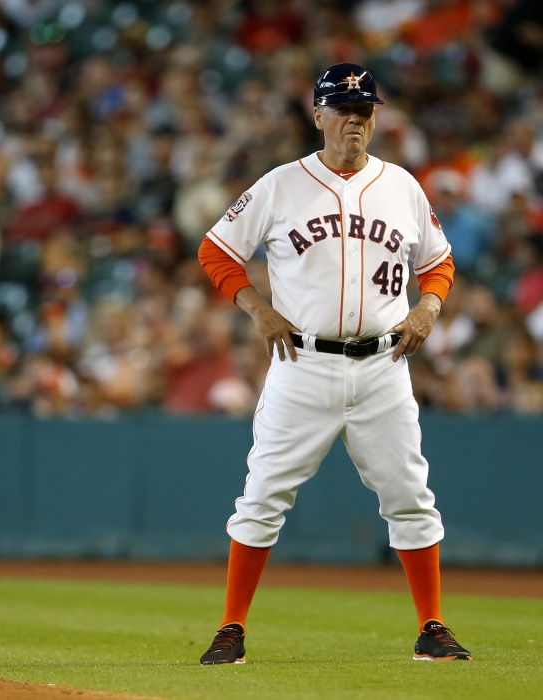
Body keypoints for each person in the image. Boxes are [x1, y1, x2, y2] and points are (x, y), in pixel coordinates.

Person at [196, 64, 472, 664]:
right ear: (317, 115)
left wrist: (427, 307)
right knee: (263, 495)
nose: (356, 119)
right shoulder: (279, 185)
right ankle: (230, 628)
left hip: (383, 366)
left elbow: (440, 261)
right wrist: (257, 309)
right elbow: (216, 250)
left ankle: (433, 625)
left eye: (365, 109)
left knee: (410, 495)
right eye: (344, 108)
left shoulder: (401, 185)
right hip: (303, 362)